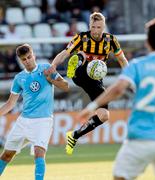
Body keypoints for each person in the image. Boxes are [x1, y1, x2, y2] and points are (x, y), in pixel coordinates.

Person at [77, 17, 155, 180]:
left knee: (121, 177)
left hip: (141, 138)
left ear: (147, 42)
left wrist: (91, 107)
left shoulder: (138, 65)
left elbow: (118, 88)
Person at [46, 12, 128, 155]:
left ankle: (74, 136)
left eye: (99, 27)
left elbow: (122, 60)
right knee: (81, 54)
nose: (96, 31)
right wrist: (53, 66)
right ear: (89, 26)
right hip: (79, 73)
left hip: (95, 80)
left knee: (104, 115)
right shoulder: (82, 38)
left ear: (104, 26)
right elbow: (64, 53)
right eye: (93, 27)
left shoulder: (111, 40)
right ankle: (75, 62)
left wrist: (130, 76)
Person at [0, 44, 69, 179]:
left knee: (39, 152)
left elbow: (65, 86)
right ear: (21, 61)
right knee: (6, 155)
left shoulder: (46, 69)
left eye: (29, 57)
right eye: (24, 59)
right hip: (23, 121)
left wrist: (50, 79)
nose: (28, 61)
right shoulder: (19, 78)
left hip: (43, 121)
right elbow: (10, 104)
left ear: (34, 55)